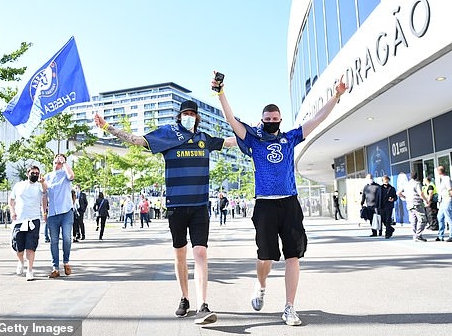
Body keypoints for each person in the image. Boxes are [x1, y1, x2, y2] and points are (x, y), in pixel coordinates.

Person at [213, 71, 346, 326]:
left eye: (275, 119)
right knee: (266, 257)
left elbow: (317, 119)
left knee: (292, 256)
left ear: (280, 120)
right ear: (261, 120)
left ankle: (289, 307)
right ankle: (261, 285)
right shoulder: (253, 138)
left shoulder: (290, 138)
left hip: (290, 203)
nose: (271, 122)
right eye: (267, 119)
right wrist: (220, 92)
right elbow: (231, 119)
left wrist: (336, 96)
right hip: (265, 204)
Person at [95, 99, 236, 325]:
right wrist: (107, 127)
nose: (189, 116)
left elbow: (230, 141)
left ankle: (203, 305)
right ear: (179, 116)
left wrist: (253, 135)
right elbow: (137, 140)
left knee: (200, 253)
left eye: (192, 113)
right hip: (176, 207)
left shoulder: (204, 139)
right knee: (180, 254)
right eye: (185, 113)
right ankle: (184, 297)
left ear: (197, 118)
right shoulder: (168, 136)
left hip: (200, 207)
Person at [9, 166, 48, 281]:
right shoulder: (19, 185)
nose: (35, 174)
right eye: (33, 173)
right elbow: (11, 200)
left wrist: (42, 182)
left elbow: (45, 191)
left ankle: (30, 270)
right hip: (20, 220)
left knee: (31, 246)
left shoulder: (39, 186)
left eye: (37, 173)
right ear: (28, 173)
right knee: (18, 247)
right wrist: (12, 212)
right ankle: (21, 262)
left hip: (33, 219)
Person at [44, 153, 75, 278]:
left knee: (67, 238)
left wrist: (65, 163)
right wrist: (44, 211)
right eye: (56, 162)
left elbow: (72, 176)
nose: (57, 164)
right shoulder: (48, 177)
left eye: (60, 162)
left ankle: (66, 262)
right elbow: (44, 194)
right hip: (52, 213)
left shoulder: (65, 174)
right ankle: (55, 268)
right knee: (54, 241)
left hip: (66, 211)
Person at [397, 171, 429, 242]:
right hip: (417, 203)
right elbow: (420, 193)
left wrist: (405, 197)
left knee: (413, 221)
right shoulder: (417, 183)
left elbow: (398, 193)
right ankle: (418, 235)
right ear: (416, 177)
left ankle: (414, 236)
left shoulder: (406, 184)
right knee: (422, 220)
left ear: (409, 177)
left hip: (409, 204)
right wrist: (426, 200)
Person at [435, 166, 452, 242]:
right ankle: (440, 235)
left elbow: (450, 190)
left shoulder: (446, 179)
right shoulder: (440, 180)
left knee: (449, 218)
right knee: (440, 217)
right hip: (442, 201)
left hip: (448, 200)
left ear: (439, 171)